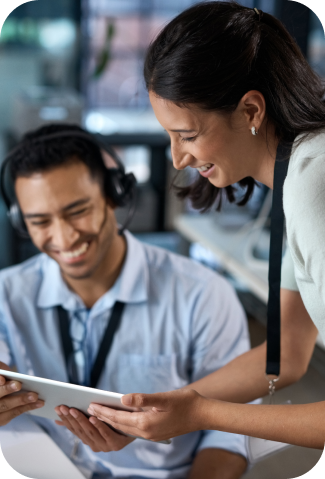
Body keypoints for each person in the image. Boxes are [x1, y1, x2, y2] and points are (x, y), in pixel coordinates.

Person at [85, 2, 325, 450]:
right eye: (170, 136)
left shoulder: (313, 186)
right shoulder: (297, 169)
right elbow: (288, 355)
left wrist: (199, 415)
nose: (178, 159)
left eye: (188, 136)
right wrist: (172, 406)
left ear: (251, 110)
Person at [0, 123, 252, 478]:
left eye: (77, 211)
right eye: (40, 221)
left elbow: (230, 437)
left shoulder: (202, 294)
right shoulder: (6, 295)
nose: (63, 237)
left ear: (114, 195)